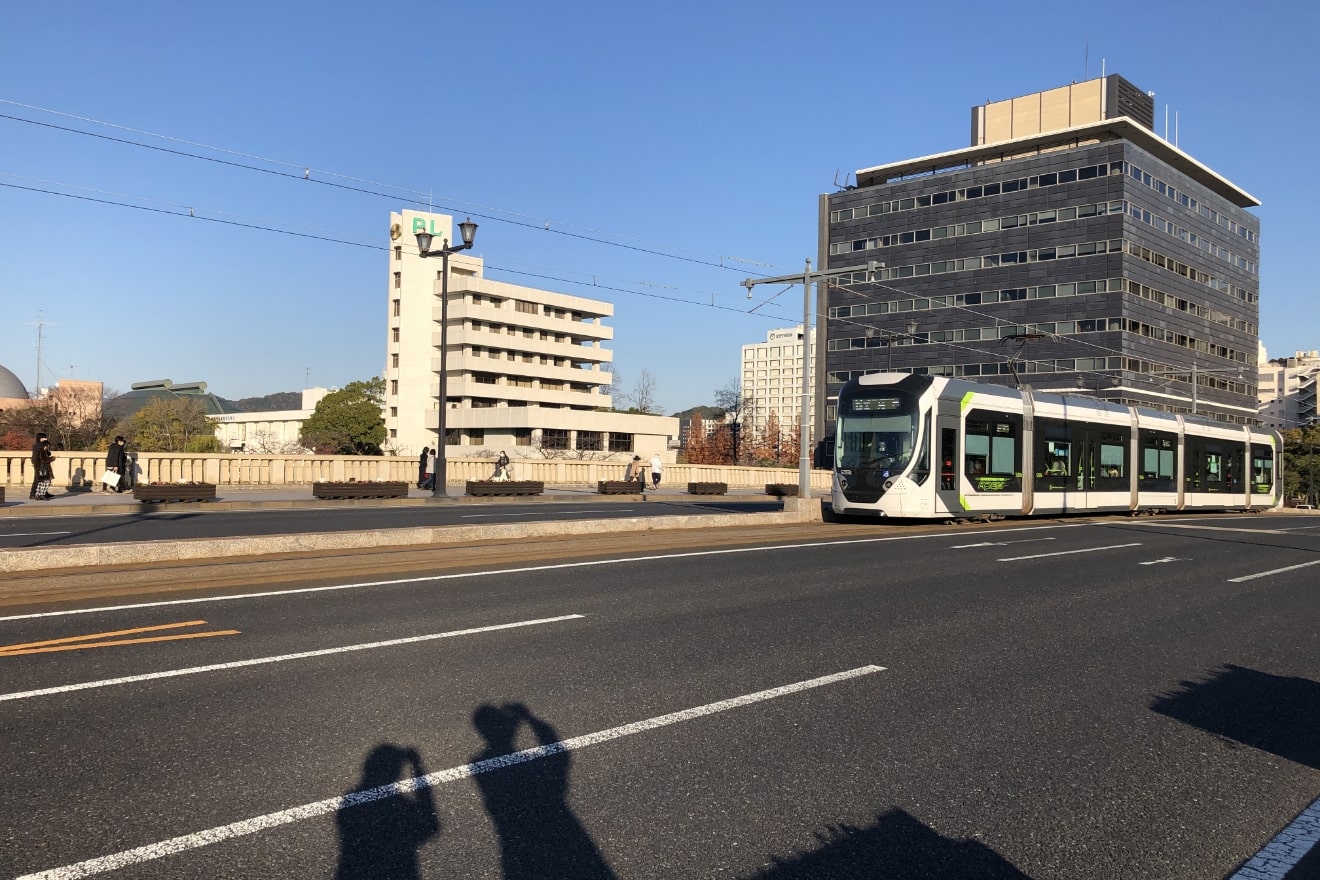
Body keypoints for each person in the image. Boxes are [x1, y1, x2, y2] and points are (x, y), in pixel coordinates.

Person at [30, 433, 55, 501]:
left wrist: (46, 448)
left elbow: (48, 453)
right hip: (39, 465)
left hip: (41, 464)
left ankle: (43, 493)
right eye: (44, 437)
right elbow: (43, 456)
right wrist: (52, 458)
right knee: (38, 479)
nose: (45, 439)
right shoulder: (38, 445)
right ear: (40, 438)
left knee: (43, 479)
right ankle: (33, 494)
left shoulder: (41, 445)